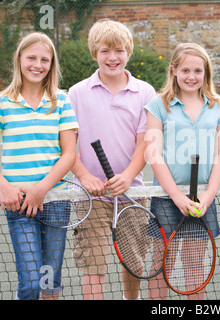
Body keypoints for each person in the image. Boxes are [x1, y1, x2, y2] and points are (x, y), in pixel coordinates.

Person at [0, 32, 78, 300]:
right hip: (18, 204)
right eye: (31, 57)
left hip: (55, 202)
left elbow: (69, 155)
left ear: (51, 64)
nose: (38, 64)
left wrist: (42, 189)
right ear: (19, 60)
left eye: (45, 59)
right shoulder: (2, 103)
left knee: (49, 282)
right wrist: (3, 186)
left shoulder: (61, 101)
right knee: (32, 283)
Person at [68, 19, 156, 300]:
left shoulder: (145, 92)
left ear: (128, 52)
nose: (112, 57)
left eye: (118, 50)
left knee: (134, 264)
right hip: (89, 196)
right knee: (94, 267)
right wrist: (84, 176)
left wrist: (128, 176)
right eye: (105, 51)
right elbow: (67, 144)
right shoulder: (77, 93)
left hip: (132, 194)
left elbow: (144, 143)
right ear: (94, 53)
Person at [144, 42, 220, 300]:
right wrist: (177, 197)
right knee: (161, 267)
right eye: (185, 70)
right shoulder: (158, 105)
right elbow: (153, 154)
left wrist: (208, 196)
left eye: (198, 71)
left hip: (202, 201)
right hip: (167, 198)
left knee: (194, 267)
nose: (191, 77)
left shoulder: (217, 105)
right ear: (174, 70)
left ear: (206, 73)